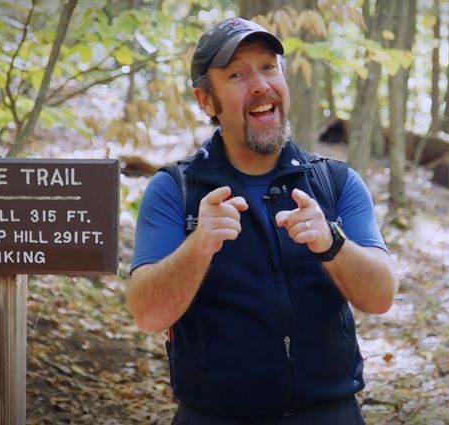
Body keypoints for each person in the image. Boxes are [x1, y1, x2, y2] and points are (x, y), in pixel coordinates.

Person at [127, 16, 397, 425]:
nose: (260, 85)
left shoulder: (335, 181)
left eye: (269, 67)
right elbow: (147, 314)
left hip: (329, 414)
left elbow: (381, 297)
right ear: (206, 100)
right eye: (237, 74)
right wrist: (199, 245)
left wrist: (333, 243)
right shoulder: (175, 190)